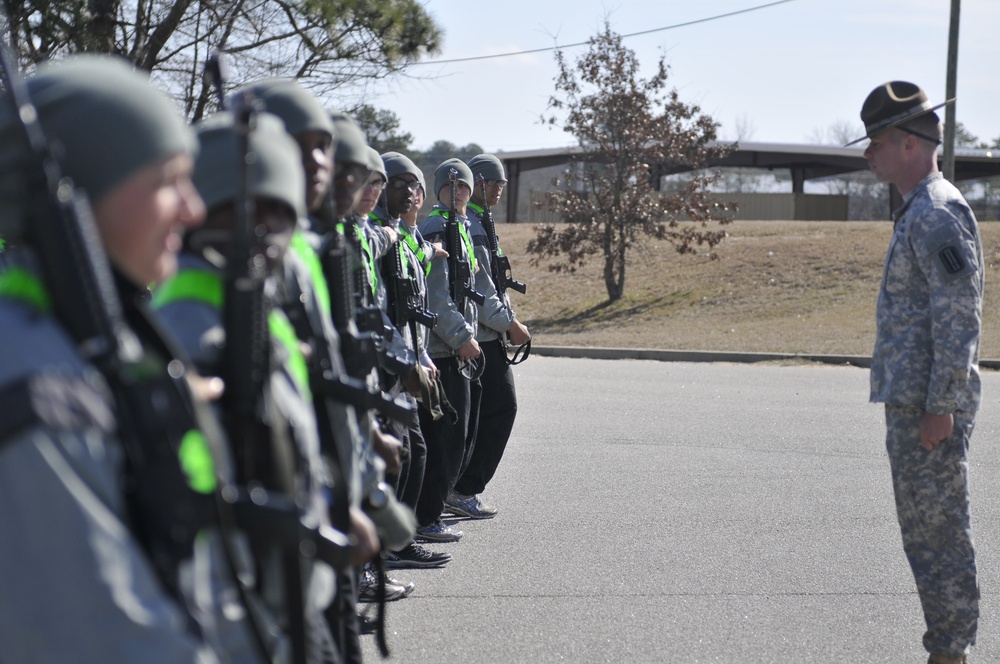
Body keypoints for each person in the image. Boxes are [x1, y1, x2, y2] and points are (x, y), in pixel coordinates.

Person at [0, 55, 261, 662]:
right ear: (86, 190)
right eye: (170, 179)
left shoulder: (86, 340)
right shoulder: (40, 389)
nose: (194, 210)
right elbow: (109, 639)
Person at [851, 81, 983, 664]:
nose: (867, 154)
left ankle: (951, 651)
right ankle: (947, 646)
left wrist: (943, 405)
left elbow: (960, 315)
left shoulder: (936, 210)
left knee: (938, 533)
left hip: (929, 406)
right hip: (915, 400)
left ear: (907, 143)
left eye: (875, 141)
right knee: (923, 533)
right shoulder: (917, 210)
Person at [447, 154, 531, 519]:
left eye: (501, 185)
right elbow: (481, 289)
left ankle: (456, 486)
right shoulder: (474, 227)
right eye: (490, 183)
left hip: (484, 333)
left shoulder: (481, 223)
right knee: (501, 408)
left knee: (481, 414)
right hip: (482, 336)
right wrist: (508, 324)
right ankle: (463, 488)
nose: (497, 190)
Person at [415, 158, 484, 544]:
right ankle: (426, 517)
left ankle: (433, 509)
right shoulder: (437, 227)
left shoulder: (461, 225)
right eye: (450, 186)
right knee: (444, 440)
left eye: (464, 187)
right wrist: (461, 338)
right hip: (444, 350)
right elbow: (438, 296)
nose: (457, 192)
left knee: (455, 439)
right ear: (438, 191)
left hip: (457, 348)